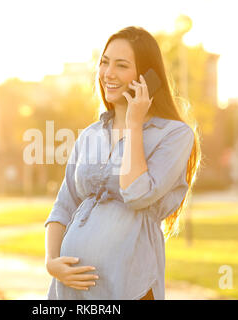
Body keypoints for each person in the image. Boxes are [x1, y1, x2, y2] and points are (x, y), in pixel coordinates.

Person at [44, 26, 201, 300]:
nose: (108, 73)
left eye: (121, 65)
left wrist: (134, 124)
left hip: (130, 287)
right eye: (104, 62)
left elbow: (137, 193)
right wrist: (52, 262)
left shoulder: (175, 135)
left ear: (146, 78)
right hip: (70, 292)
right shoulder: (90, 135)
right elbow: (63, 205)